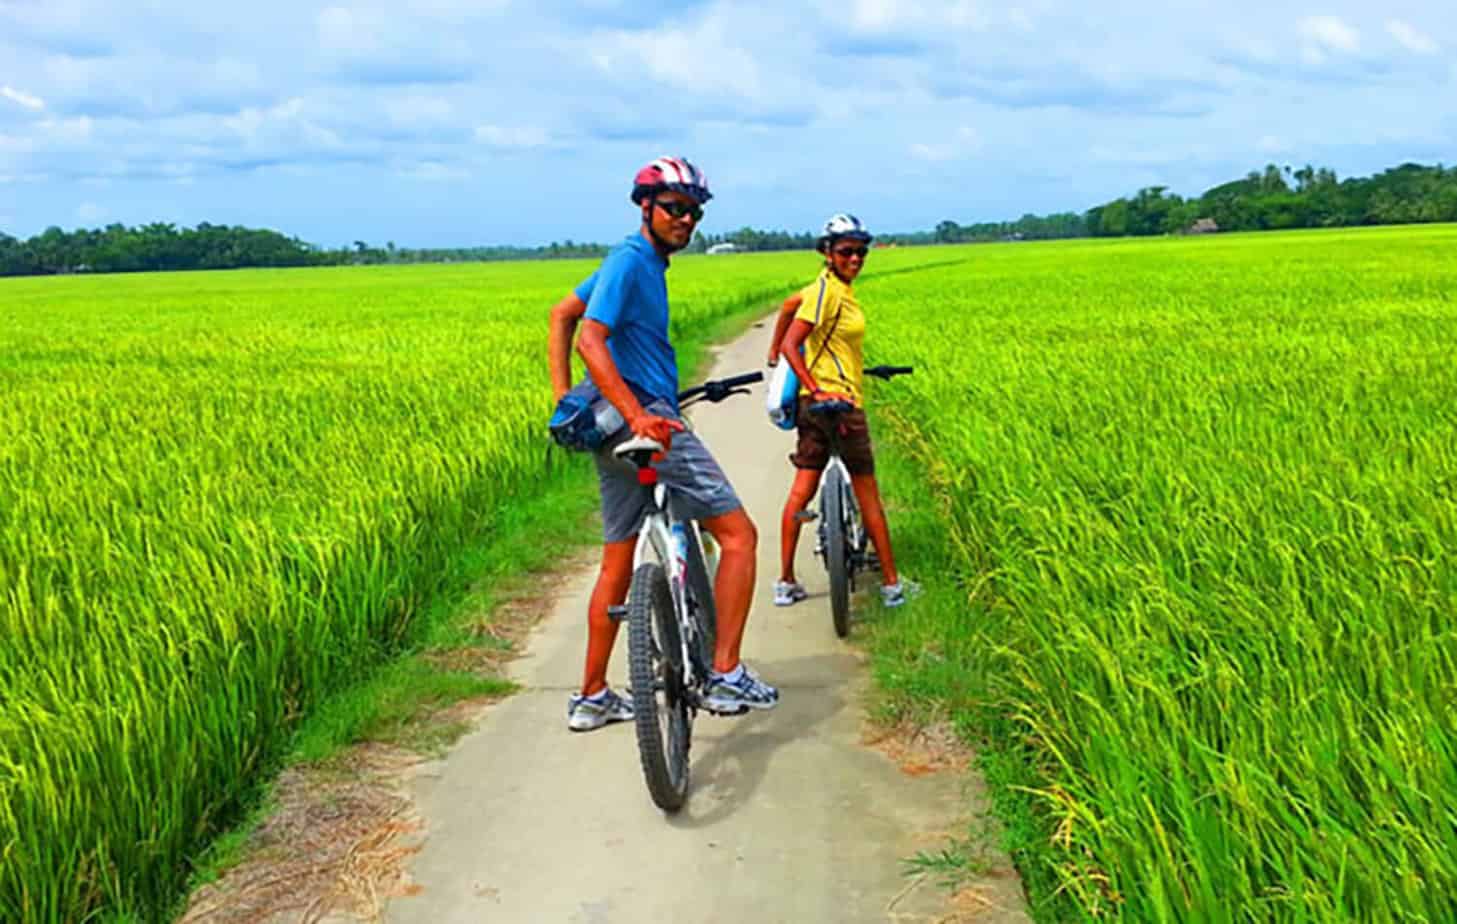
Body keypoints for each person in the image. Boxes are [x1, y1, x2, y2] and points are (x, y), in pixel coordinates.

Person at [547, 156, 779, 731]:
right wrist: (638, 414)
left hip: (610, 430)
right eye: (675, 208)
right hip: (644, 421)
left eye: (694, 212)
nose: (686, 220)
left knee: (617, 563)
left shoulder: (635, 261)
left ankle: (592, 696)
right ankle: (725, 673)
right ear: (645, 206)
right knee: (738, 536)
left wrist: (566, 401)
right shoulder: (630, 261)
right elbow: (589, 341)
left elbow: (562, 316)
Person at [764, 214, 917, 609]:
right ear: (828, 254)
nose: (856, 258)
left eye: (861, 251)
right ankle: (891, 585)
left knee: (802, 490)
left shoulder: (822, 290)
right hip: (840, 405)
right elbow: (792, 343)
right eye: (846, 251)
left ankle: (785, 582)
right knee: (868, 493)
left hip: (813, 410)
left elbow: (787, 308)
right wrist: (813, 383)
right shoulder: (826, 293)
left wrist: (775, 352)